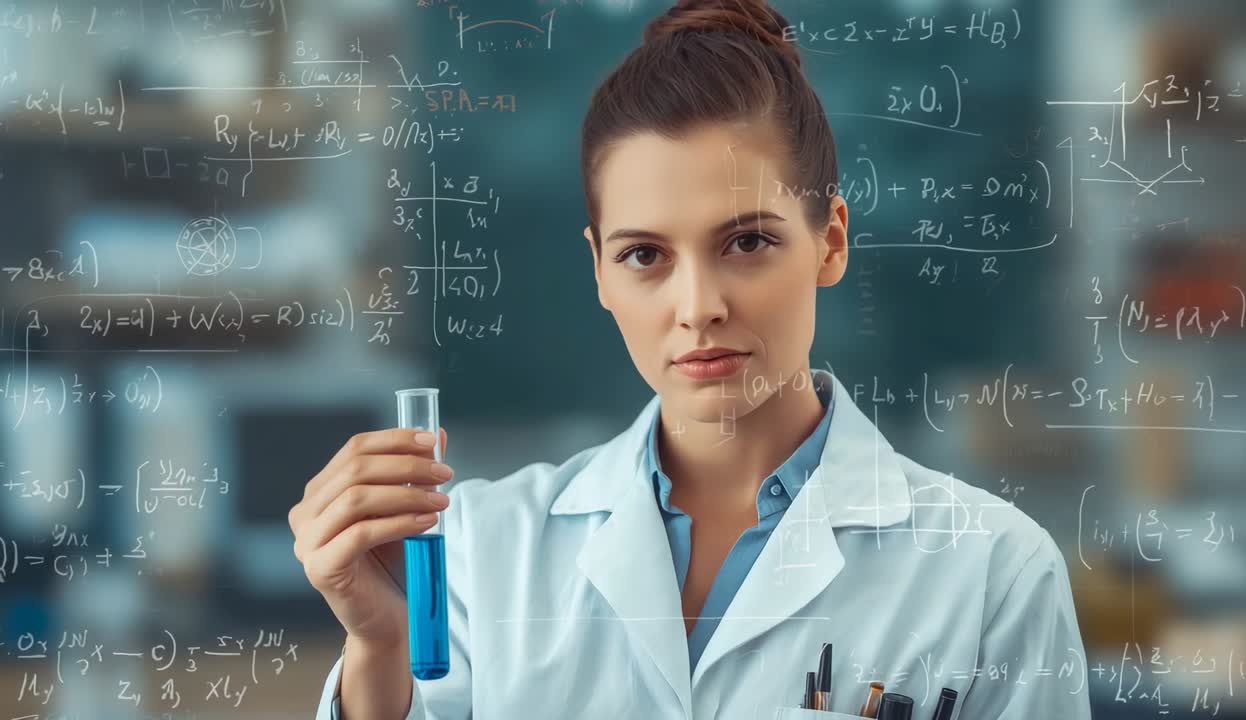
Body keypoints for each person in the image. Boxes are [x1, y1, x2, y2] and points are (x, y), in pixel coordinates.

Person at [291, 1, 1092, 718]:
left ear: (831, 241)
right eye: (645, 255)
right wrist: (379, 649)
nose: (698, 305)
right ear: (599, 271)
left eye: (747, 241)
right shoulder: (478, 553)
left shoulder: (996, 575)